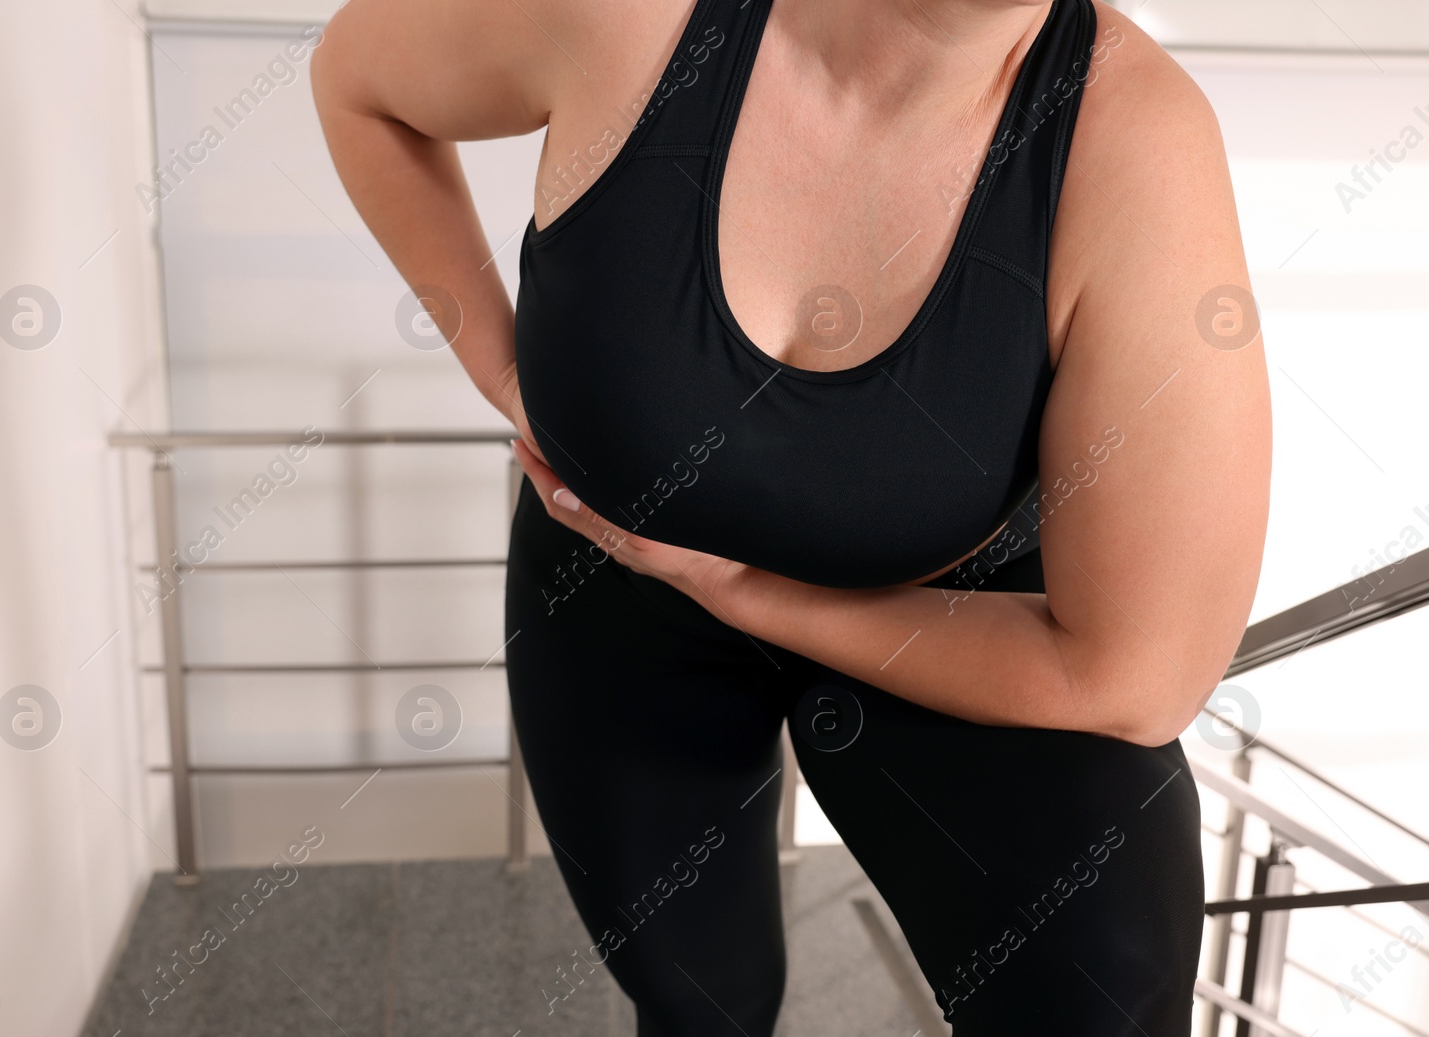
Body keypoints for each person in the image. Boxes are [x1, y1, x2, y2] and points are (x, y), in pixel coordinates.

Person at [312, 0, 1271, 1031]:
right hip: (617, 592)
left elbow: (1138, 675)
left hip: (945, 616)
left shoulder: (1134, 140)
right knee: (696, 995)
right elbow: (356, 83)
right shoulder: (629, 16)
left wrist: (748, 592)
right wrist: (510, 378)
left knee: (1105, 981)